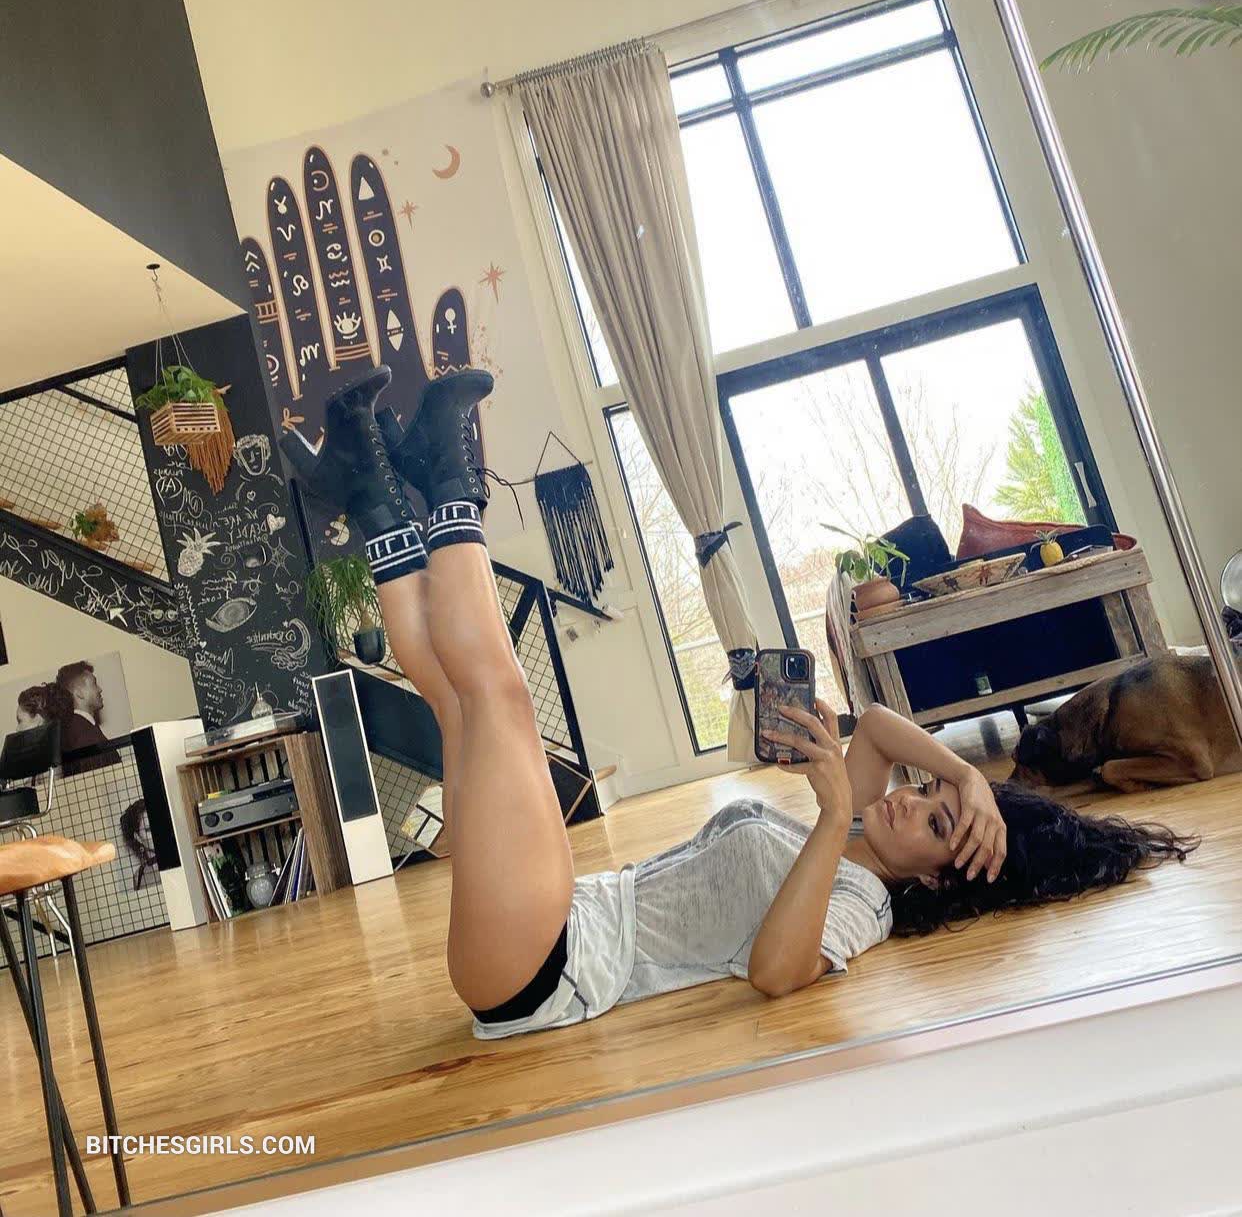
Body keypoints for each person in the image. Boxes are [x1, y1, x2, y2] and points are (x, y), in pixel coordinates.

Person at [282, 366, 1199, 1041]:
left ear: (933, 879)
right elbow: (883, 730)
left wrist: (834, 811)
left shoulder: (861, 907)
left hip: (551, 968)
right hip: (562, 913)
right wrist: (966, 778)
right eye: (924, 796)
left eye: (930, 823)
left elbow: (774, 973)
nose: (906, 802)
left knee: (502, 699)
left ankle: (450, 480)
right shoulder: (854, 831)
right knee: (455, 703)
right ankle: (370, 492)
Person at [55, 661, 119, 775]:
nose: (100, 689)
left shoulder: (78, 730)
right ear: (79, 693)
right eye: (94, 684)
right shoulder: (85, 737)